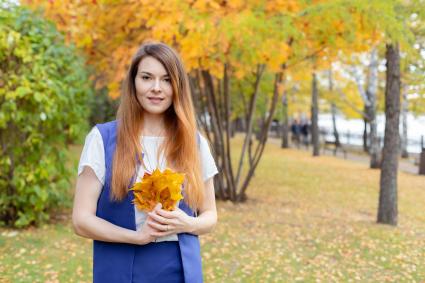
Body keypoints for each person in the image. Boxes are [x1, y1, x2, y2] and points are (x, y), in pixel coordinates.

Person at [72, 42, 218, 283]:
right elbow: (81, 220)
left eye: (167, 79)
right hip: (119, 270)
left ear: (177, 86)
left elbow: (210, 215)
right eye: (147, 77)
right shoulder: (103, 138)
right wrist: (136, 237)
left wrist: (188, 223)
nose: (156, 88)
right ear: (134, 83)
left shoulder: (195, 142)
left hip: (181, 271)